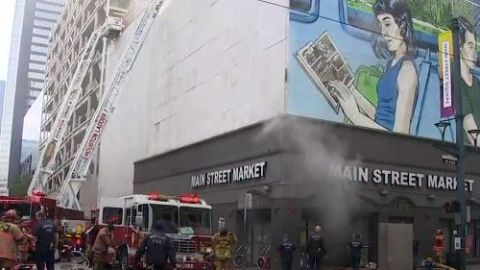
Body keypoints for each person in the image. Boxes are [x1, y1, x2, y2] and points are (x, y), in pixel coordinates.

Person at [330, 0, 418, 134]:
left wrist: (355, 115)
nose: (383, 32)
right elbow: (380, 116)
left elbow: (401, 135)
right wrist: (352, 90)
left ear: (403, 27)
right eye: (380, 25)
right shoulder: (392, 63)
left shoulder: (407, 70)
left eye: (387, 24)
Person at [458, 19, 480, 146]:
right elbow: (471, 131)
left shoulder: (477, 82)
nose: (475, 54)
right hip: (469, 155)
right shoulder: (455, 81)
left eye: (475, 48)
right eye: (470, 46)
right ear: (460, 48)